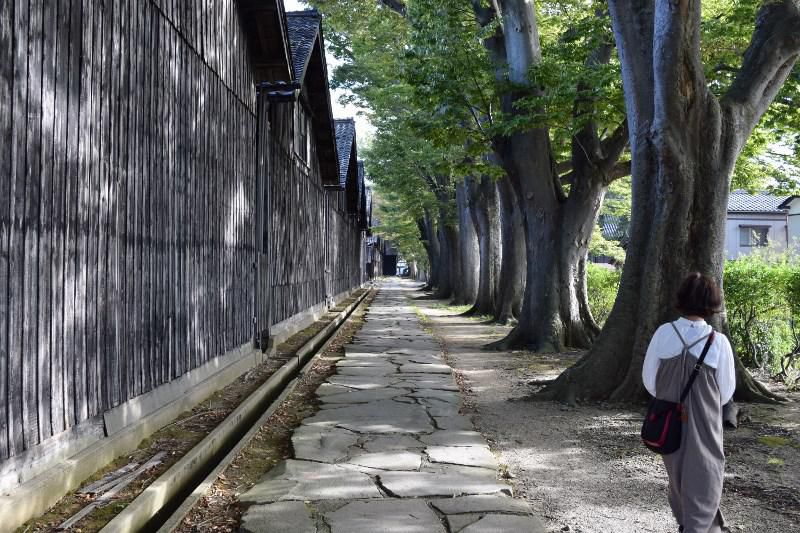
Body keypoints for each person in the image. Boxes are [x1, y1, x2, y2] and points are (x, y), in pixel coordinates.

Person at [642, 272, 736, 533]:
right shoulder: (718, 342)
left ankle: (694, 525)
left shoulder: (663, 333)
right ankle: (700, 528)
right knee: (707, 474)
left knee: (678, 477)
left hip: (667, 418)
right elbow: (726, 391)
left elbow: (649, 380)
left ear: (681, 299)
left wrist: (670, 396)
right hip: (704, 422)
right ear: (712, 302)